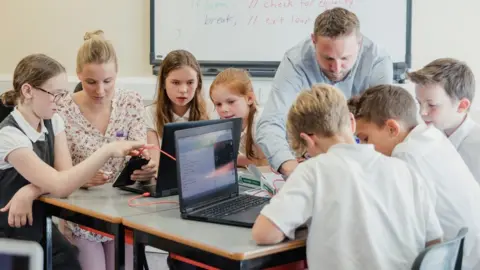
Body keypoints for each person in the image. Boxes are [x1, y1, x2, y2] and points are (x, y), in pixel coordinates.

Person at [252, 83, 442, 270]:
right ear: (351, 122)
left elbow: (264, 234)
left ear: (307, 139)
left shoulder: (313, 170)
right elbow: (434, 241)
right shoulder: (404, 170)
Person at [0, 53, 148, 270]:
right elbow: (61, 184)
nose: (60, 102)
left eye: (63, 94)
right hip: (11, 234)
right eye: (55, 94)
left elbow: (66, 179)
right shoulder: (10, 136)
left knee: (70, 260)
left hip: (39, 226)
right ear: (28, 90)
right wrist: (107, 150)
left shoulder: (53, 121)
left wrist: (30, 190)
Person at [55, 30, 156, 270]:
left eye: (108, 82)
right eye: (91, 82)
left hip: (124, 211)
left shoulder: (130, 102)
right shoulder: (62, 109)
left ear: (117, 75)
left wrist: (146, 167)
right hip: (82, 215)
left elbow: (140, 153)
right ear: (78, 74)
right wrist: (81, 178)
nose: (100, 90)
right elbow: (59, 174)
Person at [350, 84, 480, 269]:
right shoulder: (432, 136)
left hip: (452, 259)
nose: (365, 147)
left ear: (392, 129)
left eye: (365, 139)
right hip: (464, 253)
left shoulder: (405, 156)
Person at [256, 7, 393, 176]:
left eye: (345, 58)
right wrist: (289, 166)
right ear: (314, 41)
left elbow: (384, 125)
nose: (336, 68)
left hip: (362, 162)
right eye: (328, 58)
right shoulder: (295, 61)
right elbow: (270, 123)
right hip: (312, 160)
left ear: (359, 42)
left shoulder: (377, 60)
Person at [407, 58, 480, 183]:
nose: (422, 112)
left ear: (462, 106)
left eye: (432, 105)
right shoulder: (427, 138)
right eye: (419, 103)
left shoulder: (476, 148)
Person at [145, 49, 210, 171]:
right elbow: (156, 167)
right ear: (163, 83)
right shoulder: (149, 114)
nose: (183, 90)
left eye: (190, 82)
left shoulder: (211, 111)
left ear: (198, 84)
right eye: (175, 82)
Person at [209, 68, 268, 167]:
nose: (224, 109)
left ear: (249, 98)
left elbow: (270, 163)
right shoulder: (231, 125)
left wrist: (234, 160)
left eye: (231, 102)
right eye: (218, 104)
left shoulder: (261, 123)